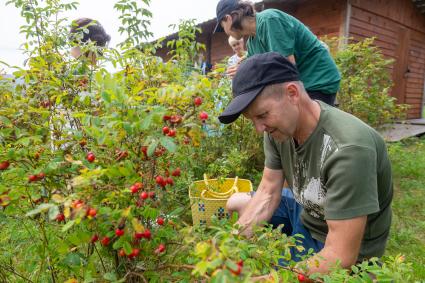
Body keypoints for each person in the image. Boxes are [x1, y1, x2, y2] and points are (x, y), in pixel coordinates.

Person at [218, 52, 393, 277]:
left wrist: (269, 280)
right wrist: (227, 252)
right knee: (236, 201)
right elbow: (268, 192)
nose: (259, 128)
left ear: (292, 93)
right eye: (252, 120)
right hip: (308, 212)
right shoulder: (277, 129)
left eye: (262, 115)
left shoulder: (348, 149)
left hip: (345, 247)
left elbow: (340, 255)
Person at [214, 0, 340, 106]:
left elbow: (286, 69)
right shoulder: (252, 43)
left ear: (228, 19)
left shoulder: (270, 20)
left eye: (222, 26)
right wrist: (244, 70)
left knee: (305, 128)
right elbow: (259, 71)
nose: (225, 32)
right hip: (300, 83)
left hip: (317, 80)